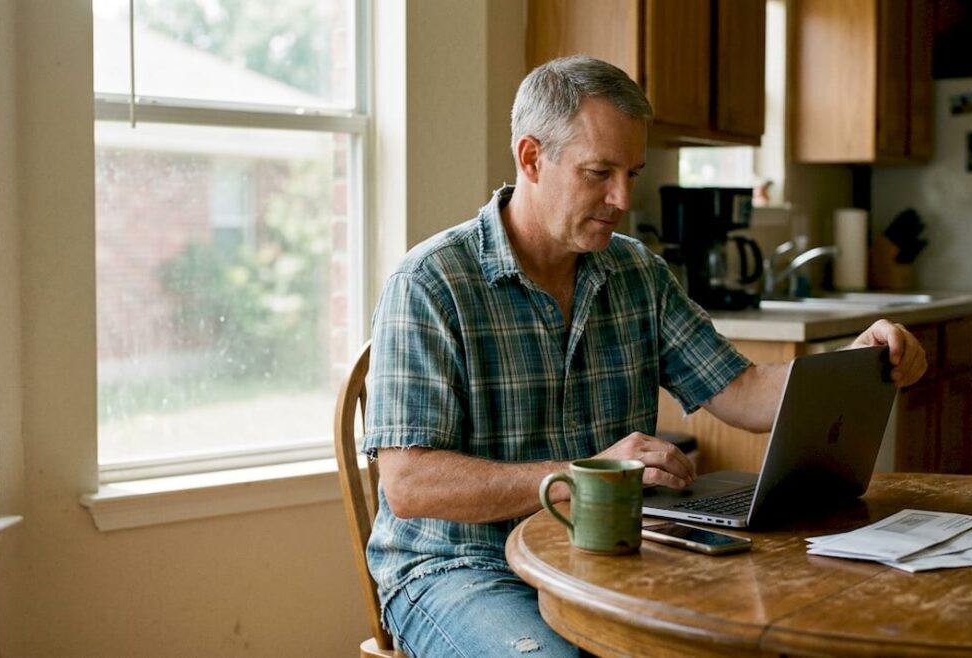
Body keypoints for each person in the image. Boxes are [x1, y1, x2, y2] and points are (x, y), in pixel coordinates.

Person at [363, 55, 927, 657]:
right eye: (599, 172)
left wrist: (857, 358)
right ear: (531, 158)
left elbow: (740, 389)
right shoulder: (431, 283)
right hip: (457, 570)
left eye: (632, 172)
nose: (622, 197)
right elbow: (412, 485)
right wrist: (583, 477)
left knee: (759, 636)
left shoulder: (635, 271)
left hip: (604, 550)